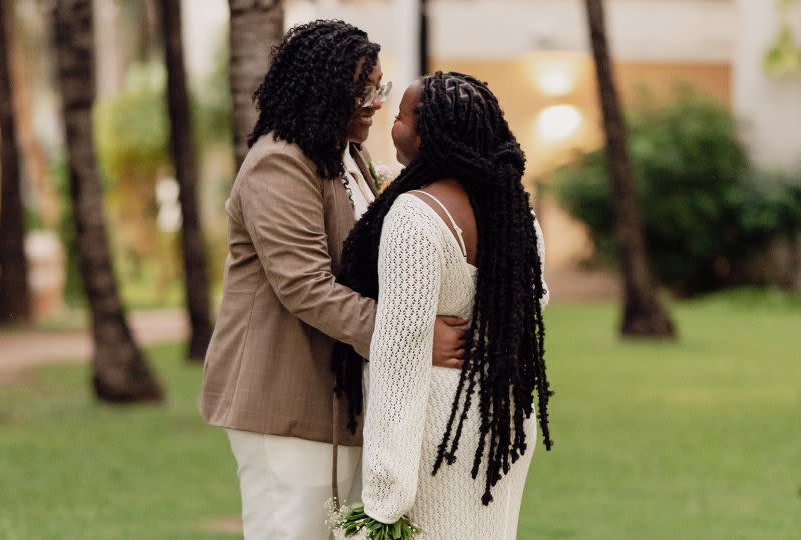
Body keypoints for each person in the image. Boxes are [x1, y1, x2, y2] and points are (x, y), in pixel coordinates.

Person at [198, 21, 465, 539]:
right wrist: (411, 338)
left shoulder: (347, 156)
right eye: (362, 90)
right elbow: (305, 287)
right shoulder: (280, 162)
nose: (375, 103)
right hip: (282, 396)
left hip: (336, 397)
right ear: (321, 89)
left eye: (380, 88)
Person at [332, 71, 553, 538]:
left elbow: (400, 360)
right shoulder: (516, 216)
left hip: (435, 433)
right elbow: (533, 302)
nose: (392, 126)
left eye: (401, 117)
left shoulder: (414, 216)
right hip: (501, 420)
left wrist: (383, 497)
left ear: (427, 134)